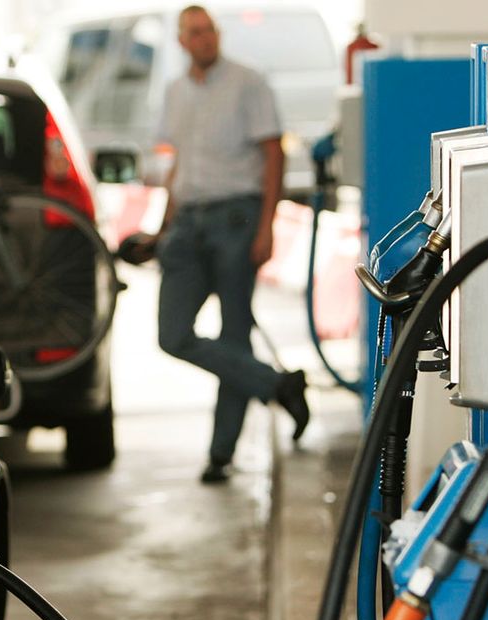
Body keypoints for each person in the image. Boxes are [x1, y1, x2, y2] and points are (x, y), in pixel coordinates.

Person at [148, 4, 309, 483]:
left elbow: (272, 153)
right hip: (188, 222)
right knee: (172, 335)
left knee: (233, 335)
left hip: (237, 219)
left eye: (209, 31)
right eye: (194, 33)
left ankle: (221, 455)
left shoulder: (248, 83)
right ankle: (278, 384)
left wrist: (268, 226)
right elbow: (176, 164)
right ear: (181, 41)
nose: (204, 39)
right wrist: (162, 228)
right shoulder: (175, 92)